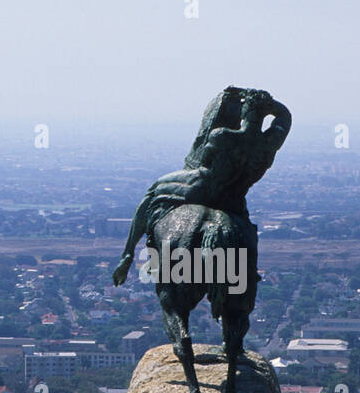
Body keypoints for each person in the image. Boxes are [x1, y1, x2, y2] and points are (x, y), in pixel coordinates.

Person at [112, 86, 290, 286]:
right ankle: (249, 270)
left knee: (153, 192)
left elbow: (201, 163)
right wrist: (264, 102)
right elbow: (284, 115)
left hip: (201, 188)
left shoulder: (222, 135)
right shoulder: (270, 142)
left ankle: (127, 254)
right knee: (246, 228)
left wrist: (244, 95)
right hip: (234, 199)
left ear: (245, 111)